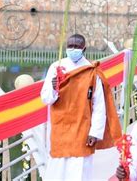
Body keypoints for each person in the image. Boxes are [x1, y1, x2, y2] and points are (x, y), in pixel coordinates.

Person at [41, 34, 121, 180]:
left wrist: (95, 132)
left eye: (77, 46)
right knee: (57, 170)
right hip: (60, 127)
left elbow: (99, 105)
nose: (73, 49)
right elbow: (46, 99)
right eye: (70, 46)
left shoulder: (91, 71)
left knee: (79, 171)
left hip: (83, 127)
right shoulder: (56, 67)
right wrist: (54, 88)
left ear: (84, 48)